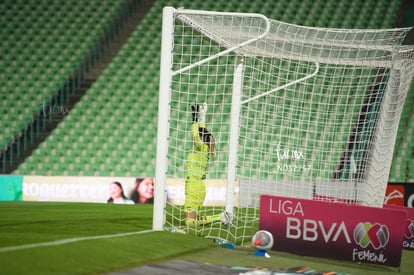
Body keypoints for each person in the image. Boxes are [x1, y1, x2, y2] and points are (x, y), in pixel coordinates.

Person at [184, 101, 232, 227]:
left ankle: (221, 217)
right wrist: (202, 116)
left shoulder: (201, 147)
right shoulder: (205, 148)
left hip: (193, 187)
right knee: (195, 220)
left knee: (189, 222)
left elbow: (196, 134)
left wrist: (194, 116)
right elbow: (201, 132)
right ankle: (222, 217)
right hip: (199, 187)